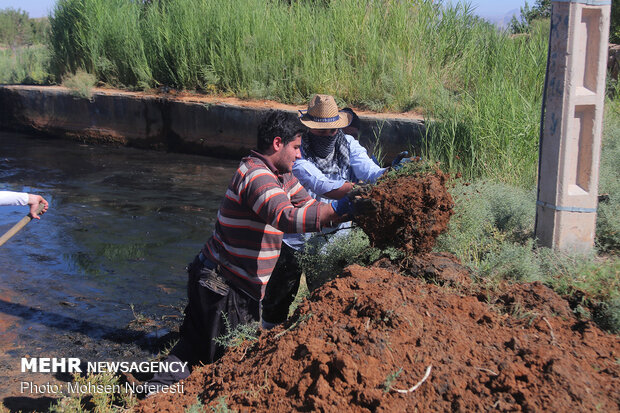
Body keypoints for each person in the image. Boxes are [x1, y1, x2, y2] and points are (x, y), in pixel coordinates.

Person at [145, 110, 352, 394]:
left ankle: (153, 394)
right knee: (226, 364)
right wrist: (341, 208)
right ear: (277, 143)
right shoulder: (256, 176)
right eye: (295, 147)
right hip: (226, 287)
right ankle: (161, 398)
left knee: (194, 349)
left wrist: (344, 209)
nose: (299, 154)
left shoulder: (281, 175)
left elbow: (306, 206)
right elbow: (286, 218)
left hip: (219, 279)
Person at [261, 94, 410, 329]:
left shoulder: (348, 144)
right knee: (277, 300)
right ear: (310, 129)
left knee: (323, 299)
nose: (329, 135)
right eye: (322, 131)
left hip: (332, 238)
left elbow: (371, 172)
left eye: (332, 130)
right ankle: (265, 341)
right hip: (297, 236)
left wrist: (390, 173)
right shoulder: (298, 151)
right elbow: (321, 185)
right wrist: (356, 192)